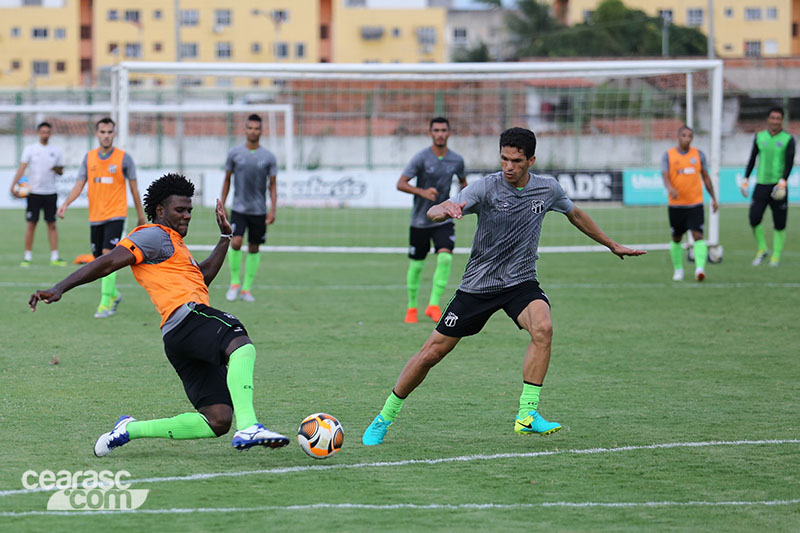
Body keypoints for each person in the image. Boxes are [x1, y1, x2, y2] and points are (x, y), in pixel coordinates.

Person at [362, 127, 646, 446]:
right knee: (431, 354)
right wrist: (446, 209)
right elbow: (434, 210)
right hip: (478, 286)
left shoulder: (547, 189)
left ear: (531, 161)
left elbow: (576, 214)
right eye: (504, 159)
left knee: (543, 328)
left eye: (516, 160)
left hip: (520, 282)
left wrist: (611, 244)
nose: (508, 167)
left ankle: (527, 414)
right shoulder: (485, 188)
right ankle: (384, 417)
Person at [29, 173, 290, 456]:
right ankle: (249, 426)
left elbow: (201, 278)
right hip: (187, 320)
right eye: (180, 210)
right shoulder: (151, 234)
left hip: (178, 335)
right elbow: (107, 263)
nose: (187, 215)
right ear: (160, 211)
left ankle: (129, 429)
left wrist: (225, 237)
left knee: (218, 419)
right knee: (238, 341)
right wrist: (60, 287)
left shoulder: (175, 243)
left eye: (189, 210)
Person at [57, 117, 146, 318]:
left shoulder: (124, 158)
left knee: (108, 255)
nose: (106, 136)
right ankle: (113, 294)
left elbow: (134, 189)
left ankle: (105, 304)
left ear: (114, 134)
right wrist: (65, 204)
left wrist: (141, 215)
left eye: (109, 132)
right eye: (102, 132)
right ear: (97, 134)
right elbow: (79, 185)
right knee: (98, 262)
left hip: (116, 215)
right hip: (95, 217)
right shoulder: (89, 158)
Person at [397, 117, 467, 323]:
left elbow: (464, 184)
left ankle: (433, 304)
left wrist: (462, 203)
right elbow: (401, 183)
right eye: (436, 130)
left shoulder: (457, 160)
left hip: (443, 219)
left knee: (445, 257)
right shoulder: (420, 158)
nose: (440, 134)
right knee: (417, 265)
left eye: (443, 130)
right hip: (420, 220)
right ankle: (411, 308)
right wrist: (422, 192)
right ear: (430, 133)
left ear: (449, 133)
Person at [221, 113, 278, 303]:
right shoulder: (235, 153)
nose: (253, 131)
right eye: (250, 128)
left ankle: (246, 289)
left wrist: (273, 209)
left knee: (254, 247)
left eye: (256, 128)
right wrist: (222, 204)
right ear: (245, 130)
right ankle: (235, 283)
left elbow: (272, 185)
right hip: (239, 209)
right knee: (235, 242)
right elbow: (227, 179)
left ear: (261, 131)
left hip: (259, 210)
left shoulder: (268, 157)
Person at [661, 125, 719, 282]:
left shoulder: (698, 155)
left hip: (695, 203)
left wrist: (713, 197)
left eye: (690, 136)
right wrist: (670, 188)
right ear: (678, 136)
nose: (687, 138)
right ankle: (678, 269)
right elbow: (665, 176)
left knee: (698, 235)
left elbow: (706, 177)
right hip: (676, 205)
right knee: (677, 237)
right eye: (684, 135)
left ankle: (700, 269)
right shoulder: (668, 155)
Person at [741, 106, 794, 267]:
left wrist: (783, 180)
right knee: (754, 218)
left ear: (782, 120)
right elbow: (752, 159)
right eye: (773, 118)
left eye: (778, 118)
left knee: (779, 223)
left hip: (778, 186)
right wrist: (746, 178)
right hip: (761, 184)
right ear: (768, 119)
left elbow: (789, 162)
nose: (775, 121)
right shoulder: (760, 137)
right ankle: (762, 248)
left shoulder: (788, 139)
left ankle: (776, 256)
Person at [10, 121, 66, 267]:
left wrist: (57, 169)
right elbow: (22, 168)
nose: (45, 135)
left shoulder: (56, 151)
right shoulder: (30, 149)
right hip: (34, 192)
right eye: (43, 132)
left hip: (50, 192)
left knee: (52, 224)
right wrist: (13, 185)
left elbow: (61, 172)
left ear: (51, 133)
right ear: (38, 133)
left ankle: (55, 256)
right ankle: (27, 257)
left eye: (48, 132)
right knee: (31, 224)